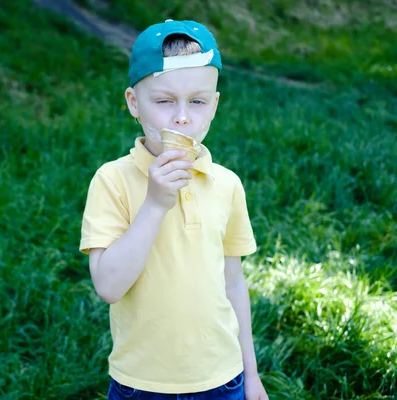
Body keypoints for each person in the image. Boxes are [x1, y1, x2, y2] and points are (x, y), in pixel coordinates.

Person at [79, 19, 269, 400]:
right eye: (164, 101)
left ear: (214, 106)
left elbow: (233, 283)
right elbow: (108, 286)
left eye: (197, 101)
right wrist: (154, 204)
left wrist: (251, 375)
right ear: (134, 103)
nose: (182, 117)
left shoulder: (226, 184)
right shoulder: (112, 180)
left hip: (222, 378)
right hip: (142, 384)